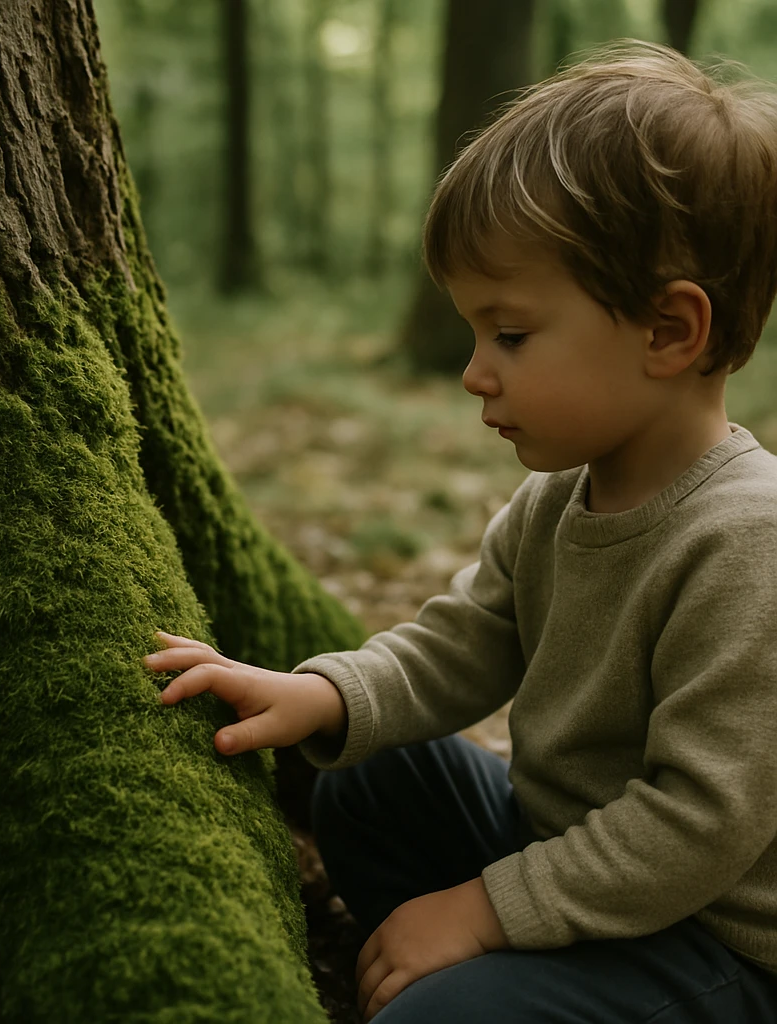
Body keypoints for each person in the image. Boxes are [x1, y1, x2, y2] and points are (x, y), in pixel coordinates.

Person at [143, 41, 777, 1023]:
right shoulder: (556, 499)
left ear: (668, 332)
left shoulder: (747, 538)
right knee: (365, 773)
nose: (475, 372)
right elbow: (462, 644)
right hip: (559, 849)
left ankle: (460, 983)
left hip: (699, 941)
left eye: (509, 334)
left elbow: (693, 830)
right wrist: (319, 693)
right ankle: (459, 967)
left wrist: (480, 911)